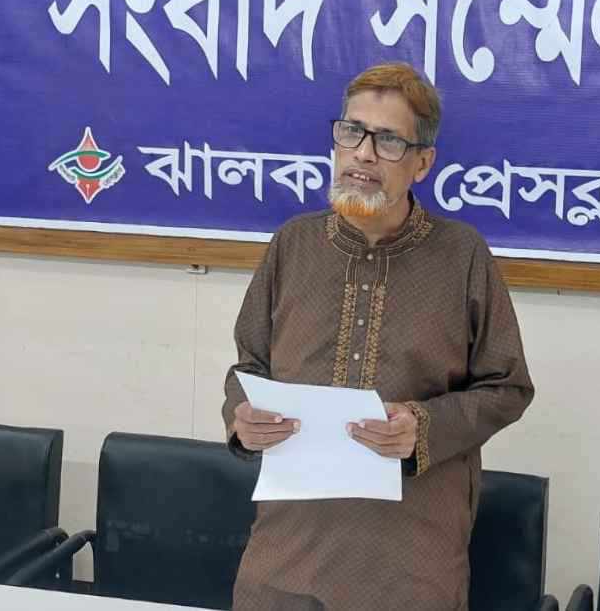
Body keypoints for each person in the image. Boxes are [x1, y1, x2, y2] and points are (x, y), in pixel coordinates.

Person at [222, 62, 535, 610]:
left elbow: (508, 388)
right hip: (286, 553)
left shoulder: (462, 256)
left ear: (422, 163)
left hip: (409, 563)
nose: (364, 154)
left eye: (388, 140)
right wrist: (242, 418)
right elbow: (248, 367)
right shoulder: (293, 245)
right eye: (352, 132)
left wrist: (424, 426)